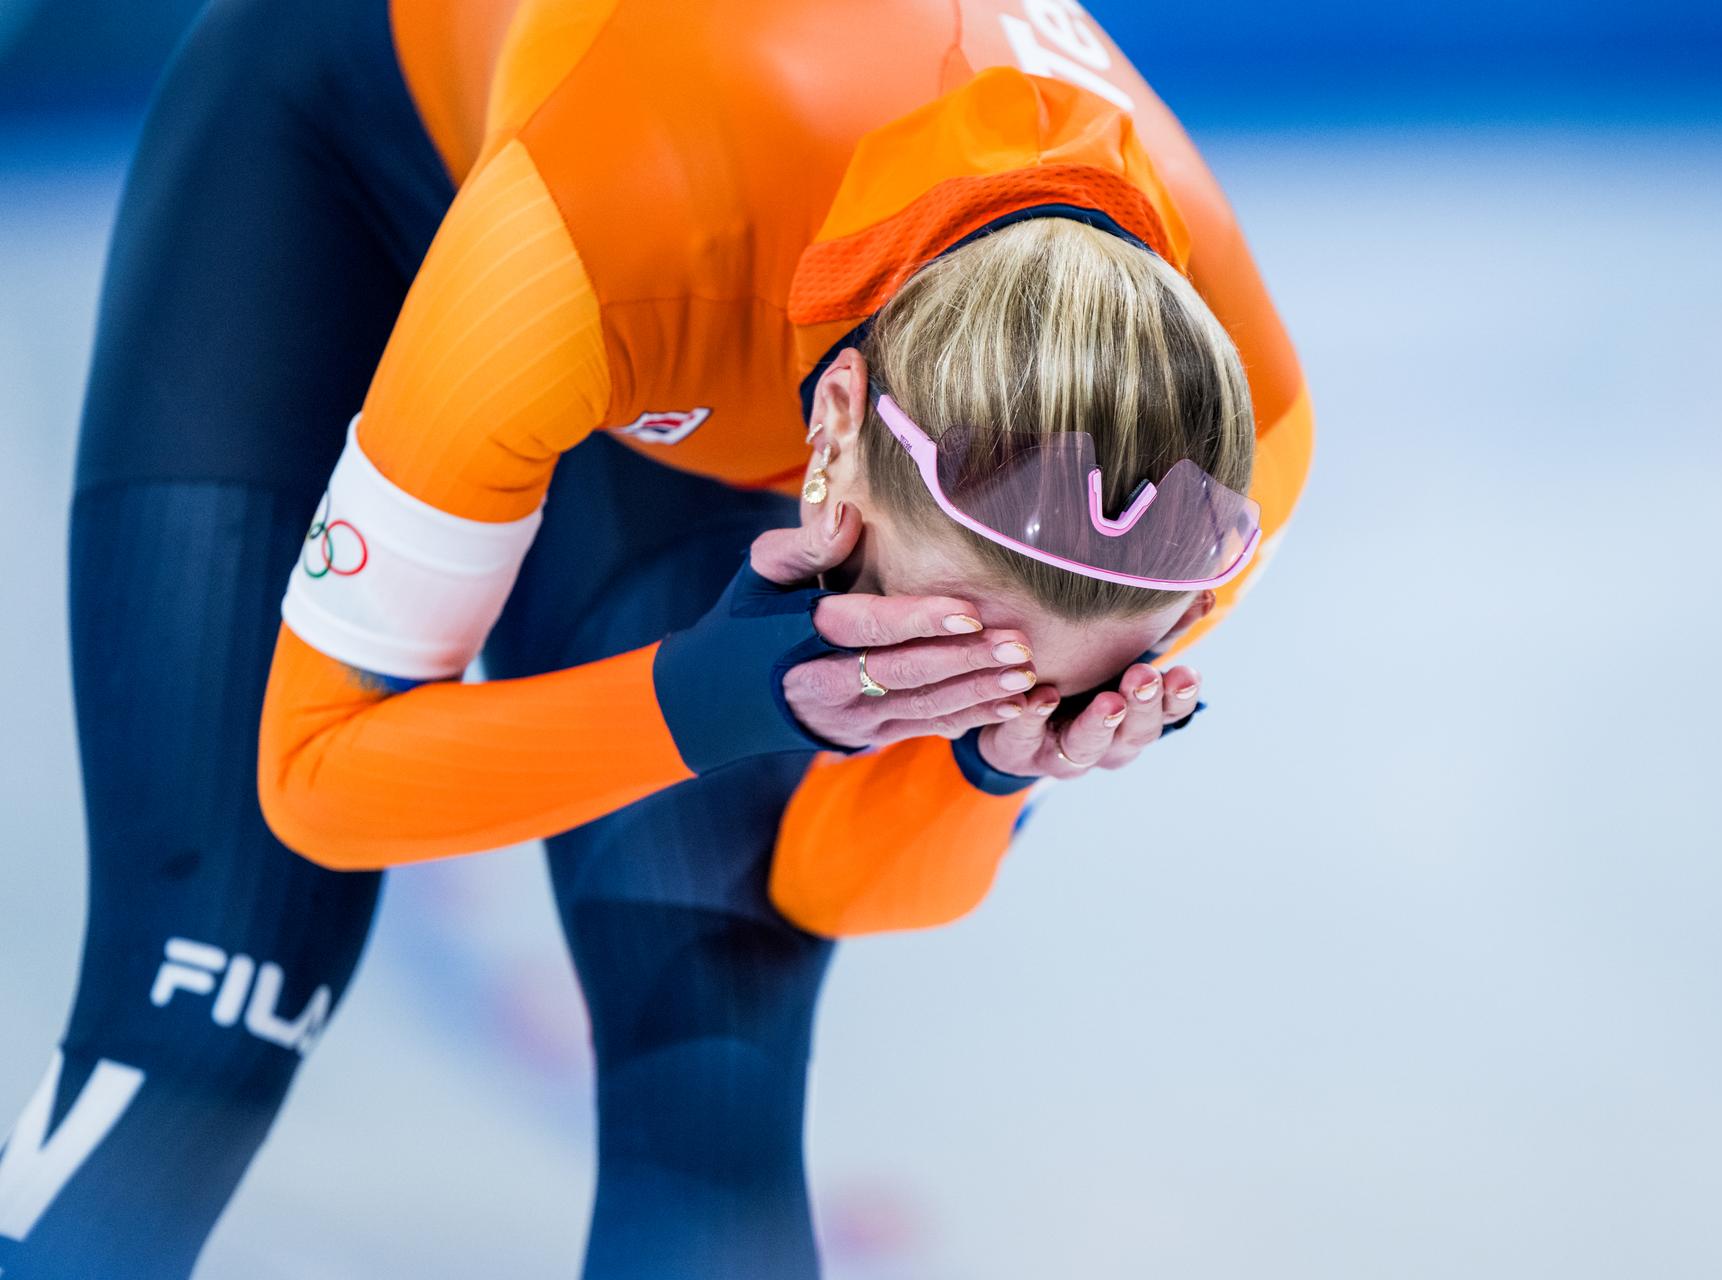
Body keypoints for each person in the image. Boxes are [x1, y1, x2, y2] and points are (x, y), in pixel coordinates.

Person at [0, 0, 1313, 1275]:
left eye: (1013, 686)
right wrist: (699, 701)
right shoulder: (606, 239)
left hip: (718, 294)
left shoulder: (1232, 460)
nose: (956, 695)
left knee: (710, 1096)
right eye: (933, 652)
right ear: (836, 435)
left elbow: (834, 888)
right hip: (367, 146)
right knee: (205, 1005)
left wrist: (992, 771)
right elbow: (313, 779)